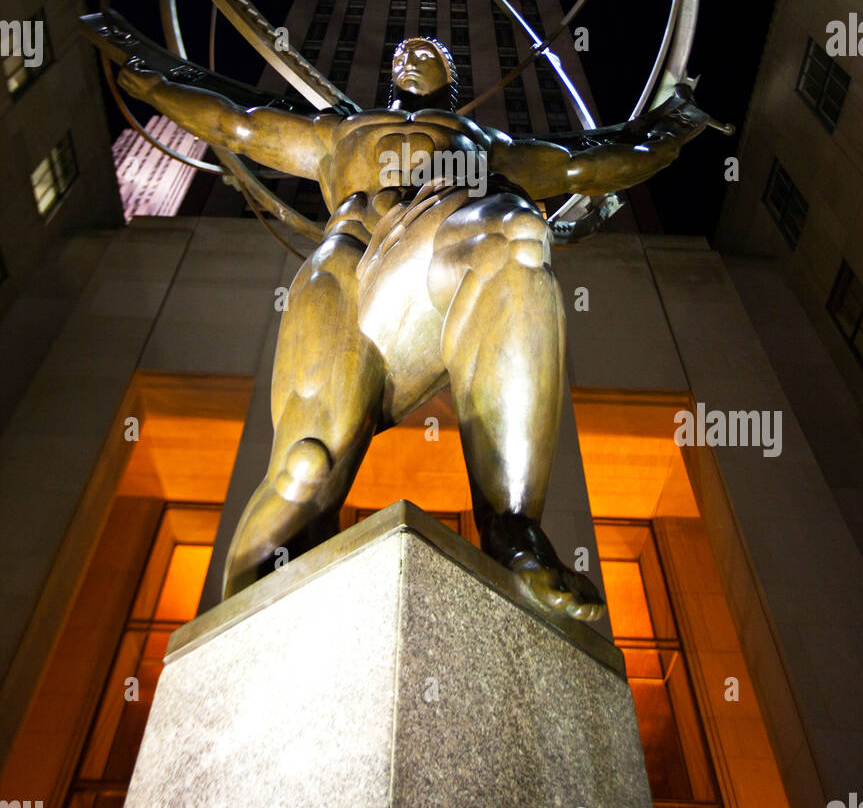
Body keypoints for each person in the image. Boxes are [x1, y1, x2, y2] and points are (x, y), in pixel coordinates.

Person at [112, 30, 720, 621]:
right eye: (400, 52)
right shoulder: (341, 131)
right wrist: (155, 86)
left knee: (515, 234)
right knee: (305, 466)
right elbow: (234, 121)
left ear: (451, 80)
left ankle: (512, 530)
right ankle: (239, 626)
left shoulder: (483, 142)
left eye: (424, 52)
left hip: (436, 254)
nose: (406, 57)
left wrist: (674, 126)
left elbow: (589, 165)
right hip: (347, 269)